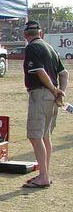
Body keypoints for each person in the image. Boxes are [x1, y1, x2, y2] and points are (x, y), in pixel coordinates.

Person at [22, 20, 68, 189]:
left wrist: (53, 89)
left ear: (26, 35)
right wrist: (59, 91)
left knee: (35, 136)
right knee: (45, 136)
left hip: (40, 94)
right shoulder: (50, 48)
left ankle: (43, 176)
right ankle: (44, 172)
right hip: (51, 97)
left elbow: (39, 71)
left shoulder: (32, 48)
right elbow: (64, 73)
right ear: (40, 33)